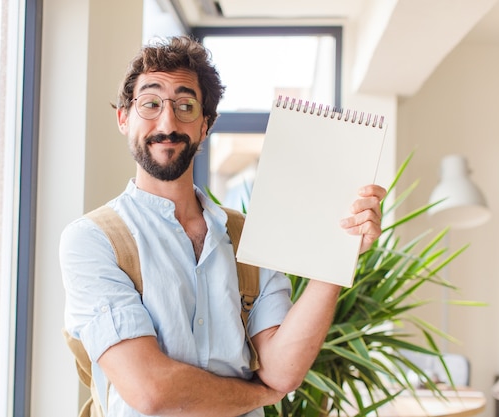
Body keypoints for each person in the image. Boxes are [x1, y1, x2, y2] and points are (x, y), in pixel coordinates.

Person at [60, 35, 387, 417]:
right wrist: (258, 395)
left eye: (186, 106)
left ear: (205, 125)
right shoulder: (93, 241)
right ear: (123, 117)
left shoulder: (249, 235)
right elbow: (150, 390)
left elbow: (282, 370)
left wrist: (338, 252)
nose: (167, 121)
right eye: (150, 103)